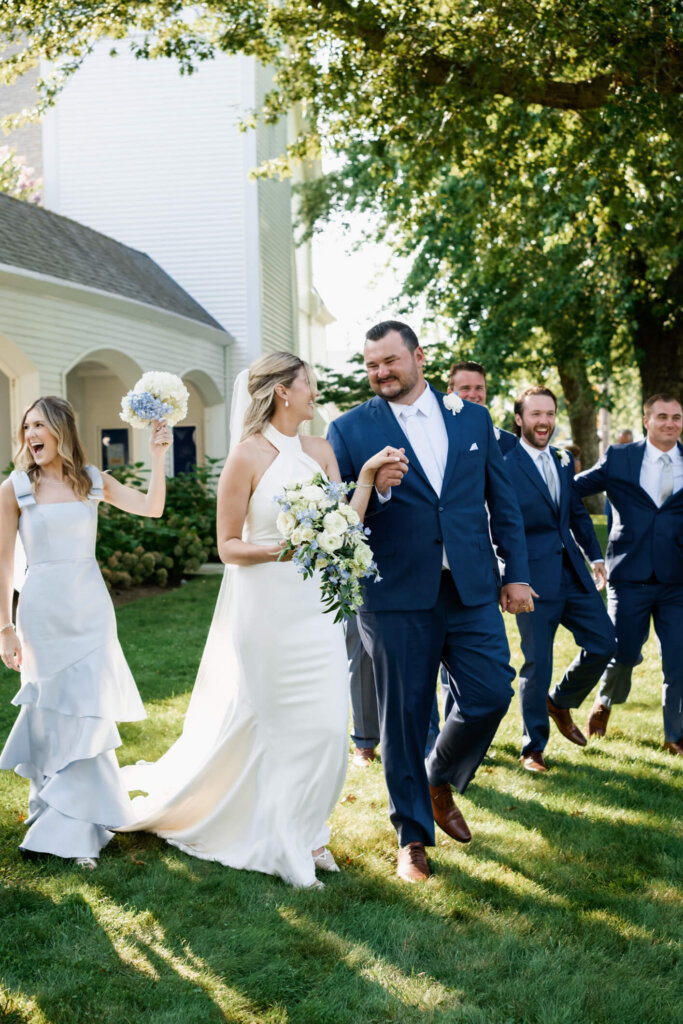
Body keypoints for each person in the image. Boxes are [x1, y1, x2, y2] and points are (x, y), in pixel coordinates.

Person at [118, 353, 403, 889]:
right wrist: (285, 550)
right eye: (309, 385)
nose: (316, 394)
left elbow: (347, 525)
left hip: (316, 612)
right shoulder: (246, 457)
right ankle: (288, 840)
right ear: (282, 393)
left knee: (323, 728)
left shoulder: (320, 451)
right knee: (279, 728)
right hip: (266, 610)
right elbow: (227, 546)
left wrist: (364, 478)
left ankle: (311, 827)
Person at [327, 321, 532, 883]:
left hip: (469, 587)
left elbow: (501, 501)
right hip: (394, 593)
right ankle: (412, 837)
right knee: (404, 714)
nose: (381, 373)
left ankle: (437, 773)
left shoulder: (471, 418)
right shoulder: (348, 429)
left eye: (390, 361)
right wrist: (378, 485)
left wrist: (515, 573)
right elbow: (335, 516)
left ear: (419, 357)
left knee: (492, 690)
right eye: (371, 365)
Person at [0, 396, 171, 868]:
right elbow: (2, 562)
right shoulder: (14, 487)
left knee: (89, 713)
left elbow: (153, 508)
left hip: (90, 612)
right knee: (51, 712)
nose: (30, 434)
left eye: (39, 425)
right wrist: (5, 627)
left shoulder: (92, 481)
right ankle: (58, 817)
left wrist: (157, 456)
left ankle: (81, 827)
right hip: (41, 613)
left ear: (60, 430)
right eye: (25, 427)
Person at [504, 387, 616, 772]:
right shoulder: (503, 462)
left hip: (573, 572)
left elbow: (575, 514)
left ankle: (560, 701)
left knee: (604, 642)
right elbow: (500, 522)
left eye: (550, 413)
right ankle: (533, 748)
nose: (544, 421)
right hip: (532, 578)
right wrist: (512, 574)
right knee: (538, 663)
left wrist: (595, 557)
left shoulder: (564, 460)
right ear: (519, 419)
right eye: (535, 414)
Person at [575, 394, 683, 752]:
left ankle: (674, 736)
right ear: (646, 419)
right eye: (663, 416)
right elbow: (574, 489)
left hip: (677, 580)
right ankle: (604, 702)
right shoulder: (621, 458)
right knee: (622, 652)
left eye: (677, 417)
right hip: (629, 573)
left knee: (678, 658)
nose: (671, 423)